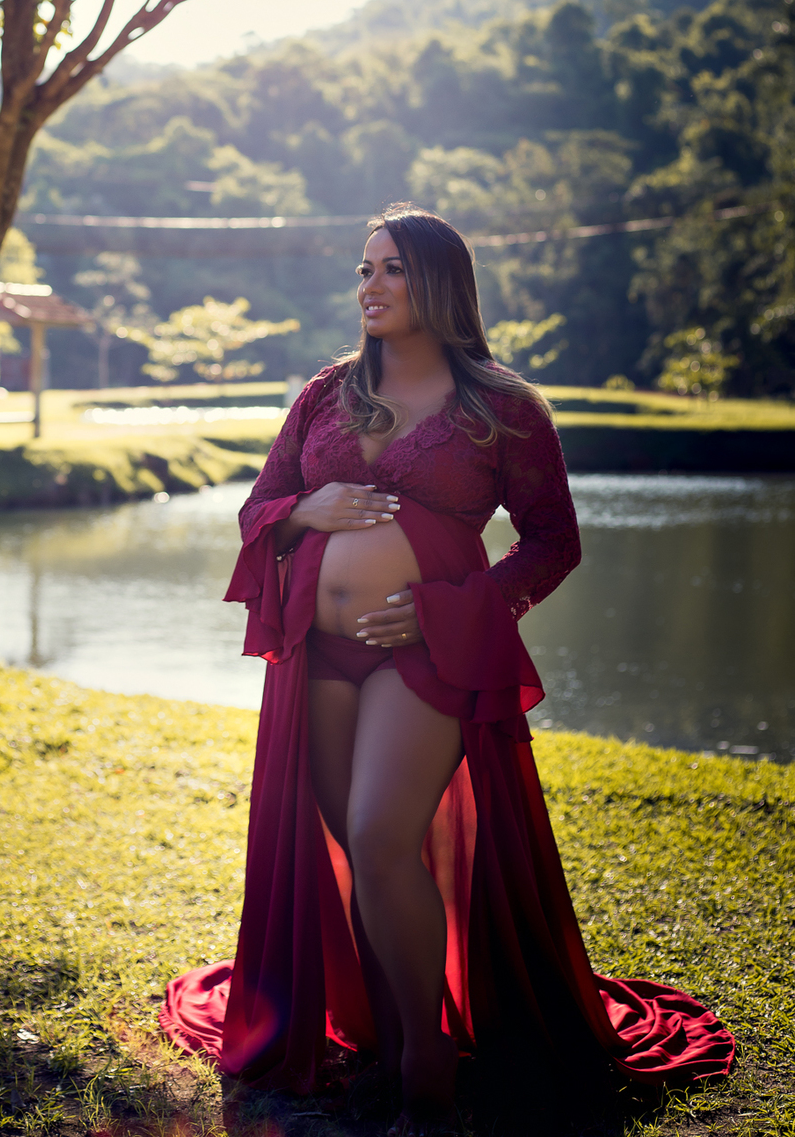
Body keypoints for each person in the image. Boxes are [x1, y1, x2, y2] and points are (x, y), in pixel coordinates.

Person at [160, 206, 734, 1135]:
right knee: (353, 847)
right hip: (318, 652)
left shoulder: (503, 407)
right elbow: (261, 505)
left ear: (439, 281)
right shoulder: (326, 394)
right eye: (364, 269)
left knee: (379, 834)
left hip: (424, 654)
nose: (370, 286)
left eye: (391, 268)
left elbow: (552, 542)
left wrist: (450, 613)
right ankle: (389, 1039)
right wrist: (308, 509)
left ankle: (427, 1058)